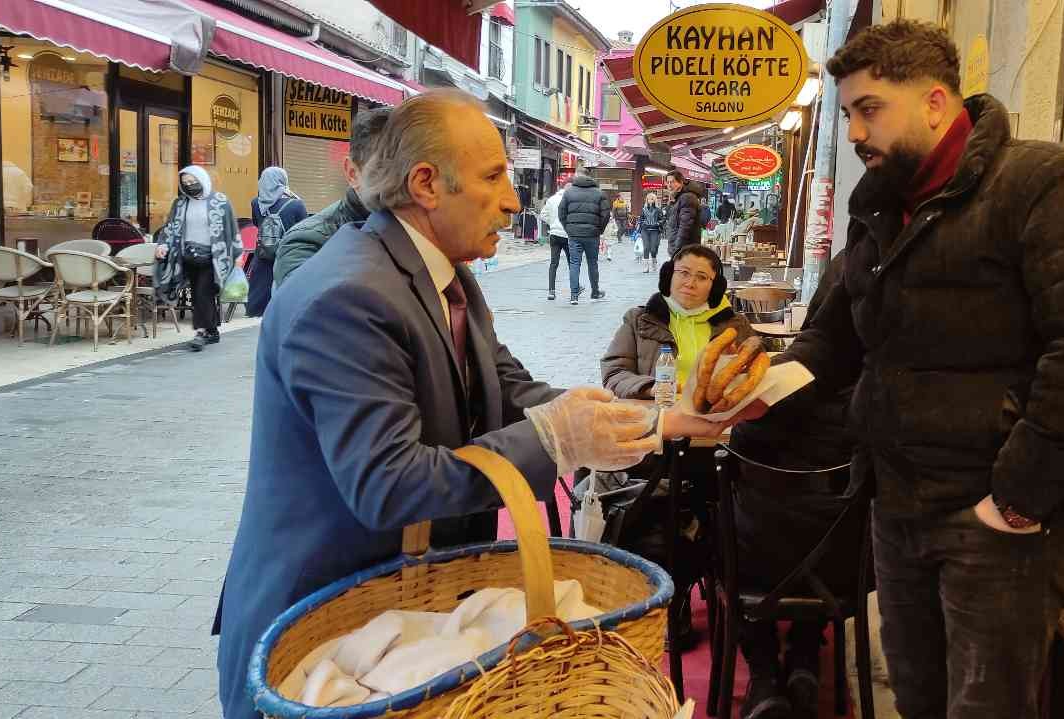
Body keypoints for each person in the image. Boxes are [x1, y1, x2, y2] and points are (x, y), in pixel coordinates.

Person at [213, 89, 724, 719]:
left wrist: (655, 419)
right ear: (426, 184)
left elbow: (506, 388)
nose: (513, 200)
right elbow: (388, 486)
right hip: (321, 637)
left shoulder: (447, 273)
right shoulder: (347, 296)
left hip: (401, 618)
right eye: (493, 176)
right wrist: (557, 440)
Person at [754, 20, 1064, 718]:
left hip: (995, 520)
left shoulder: (1045, 183)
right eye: (848, 115)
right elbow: (832, 340)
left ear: (936, 102)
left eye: (870, 109)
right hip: (896, 506)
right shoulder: (878, 209)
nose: (857, 132)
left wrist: (1019, 496)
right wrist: (758, 390)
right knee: (918, 698)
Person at [727, 248, 858, 719]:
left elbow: (735, 448)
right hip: (846, 571)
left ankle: (763, 674)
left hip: (759, 565)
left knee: (724, 533)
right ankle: (805, 655)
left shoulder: (773, 395)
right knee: (816, 544)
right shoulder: (879, 407)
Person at [601, 244, 751, 401]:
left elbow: (761, 371)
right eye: (684, 273)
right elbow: (614, 373)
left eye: (701, 277)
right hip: (656, 417)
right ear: (668, 275)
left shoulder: (735, 325)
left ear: (715, 288)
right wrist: (650, 388)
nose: (690, 283)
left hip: (718, 416)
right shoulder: (639, 320)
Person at [273, 106, 392, 287]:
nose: (404, 181)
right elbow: (311, 307)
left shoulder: (427, 231)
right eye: (386, 168)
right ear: (352, 172)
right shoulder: (307, 242)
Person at [153, 165, 241, 352]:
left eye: (193, 182)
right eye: (186, 183)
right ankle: (212, 330)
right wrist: (163, 245)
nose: (190, 185)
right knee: (200, 293)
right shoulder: (180, 204)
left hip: (212, 257)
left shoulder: (220, 202)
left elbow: (231, 229)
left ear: (203, 180)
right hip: (186, 256)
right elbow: (170, 228)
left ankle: (200, 332)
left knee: (202, 292)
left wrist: (237, 254)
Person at [247, 166, 307, 316]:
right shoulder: (296, 204)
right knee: (286, 304)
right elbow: (304, 228)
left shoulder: (256, 203)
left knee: (262, 307)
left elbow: (256, 223)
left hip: (263, 256)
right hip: (287, 256)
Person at [558, 173, 611, 305]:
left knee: (575, 263)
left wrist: (568, 228)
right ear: (592, 180)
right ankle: (595, 292)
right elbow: (606, 215)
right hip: (592, 235)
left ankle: (574, 295)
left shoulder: (569, 192)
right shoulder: (599, 193)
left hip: (574, 235)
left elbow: (561, 212)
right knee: (593, 263)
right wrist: (599, 230)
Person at [540, 180, 572, 301]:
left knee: (554, 263)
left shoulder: (552, 199)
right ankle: (574, 290)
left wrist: (552, 223)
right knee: (572, 263)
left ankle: (551, 291)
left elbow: (543, 215)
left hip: (554, 234)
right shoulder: (570, 200)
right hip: (567, 235)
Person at [663, 169, 706, 256]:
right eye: (668, 182)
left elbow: (685, 227)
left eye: (672, 182)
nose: (669, 185)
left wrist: (677, 250)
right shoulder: (679, 198)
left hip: (685, 250)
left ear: (681, 182)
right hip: (681, 249)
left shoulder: (687, 198)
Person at [638, 192, 666, 273]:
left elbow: (663, 219)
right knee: (646, 247)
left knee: (653, 249)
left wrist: (658, 223)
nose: (650, 200)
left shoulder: (658, 209)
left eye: (652, 199)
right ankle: (646, 267)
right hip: (645, 230)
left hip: (655, 230)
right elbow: (641, 219)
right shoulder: (644, 209)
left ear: (654, 200)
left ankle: (654, 261)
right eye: (649, 198)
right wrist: (643, 223)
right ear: (647, 199)